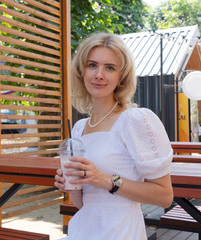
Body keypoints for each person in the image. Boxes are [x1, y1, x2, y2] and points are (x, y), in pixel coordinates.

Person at [55, 32, 173, 240]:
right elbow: (85, 203)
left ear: (121, 77)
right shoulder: (79, 128)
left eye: (109, 68)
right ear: (81, 71)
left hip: (121, 233)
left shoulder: (135, 120)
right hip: (84, 230)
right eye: (92, 65)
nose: (99, 74)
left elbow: (164, 196)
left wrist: (107, 180)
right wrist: (71, 185)